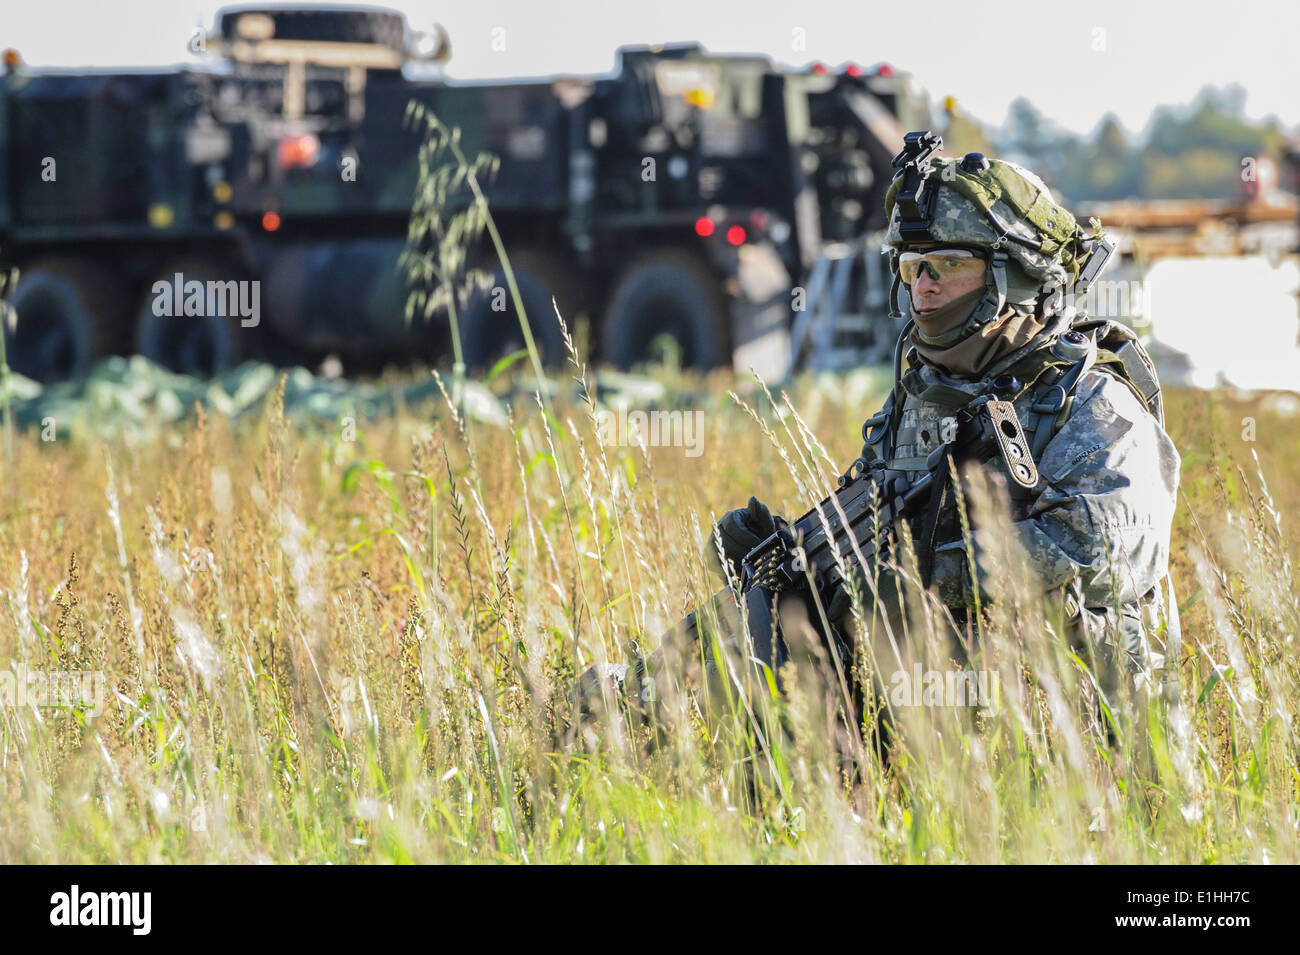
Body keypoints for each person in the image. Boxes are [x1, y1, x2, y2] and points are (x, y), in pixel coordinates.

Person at [709, 136, 1182, 736]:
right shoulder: (921, 397)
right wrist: (795, 567)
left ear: (1012, 274)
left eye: (950, 265)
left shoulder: (1089, 400)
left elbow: (1102, 550)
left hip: (1080, 742)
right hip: (939, 735)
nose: (924, 287)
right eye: (912, 268)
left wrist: (926, 574)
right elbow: (887, 523)